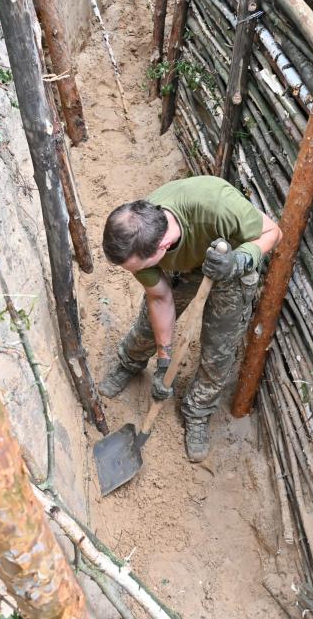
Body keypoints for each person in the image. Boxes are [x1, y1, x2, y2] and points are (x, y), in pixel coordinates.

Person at [98, 175, 282, 462]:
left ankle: (198, 410)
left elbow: (273, 232)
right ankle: (130, 362)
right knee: (148, 327)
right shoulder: (135, 239)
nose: (132, 272)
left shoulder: (217, 205)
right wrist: (164, 359)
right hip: (183, 265)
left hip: (231, 262)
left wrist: (238, 261)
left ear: (163, 245)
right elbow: (160, 298)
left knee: (218, 349)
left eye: (138, 267)